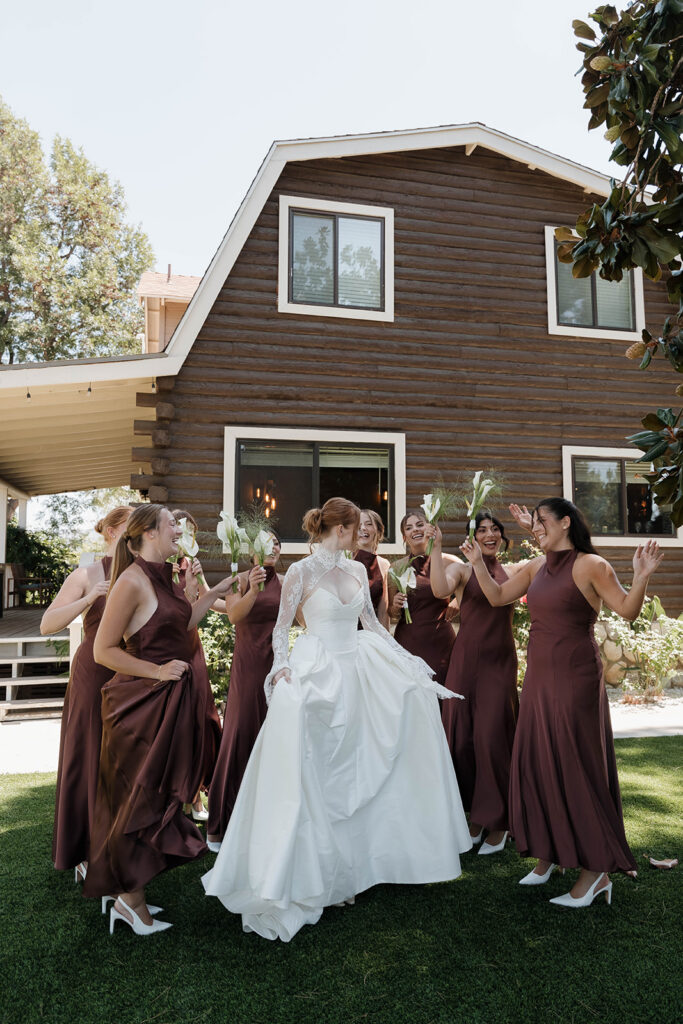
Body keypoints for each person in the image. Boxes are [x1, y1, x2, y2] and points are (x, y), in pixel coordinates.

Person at [202, 497, 472, 941]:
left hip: (357, 670)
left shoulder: (353, 571)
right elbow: (281, 627)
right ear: (341, 529)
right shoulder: (300, 573)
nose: (361, 533)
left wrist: (411, 665)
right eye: (356, 527)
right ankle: (319, 873)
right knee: (321, 772)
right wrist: (281, 667)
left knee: (357, 767)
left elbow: (374, 625)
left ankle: (354, 869)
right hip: (318, 671)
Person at [461, 497, 663, 907]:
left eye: (541, 522)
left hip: (574, 678)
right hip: (537, 678)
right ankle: (549, 853)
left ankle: (596, 872)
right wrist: (478, 563)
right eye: (532, 523)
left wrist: (641, 577)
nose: (534, 528)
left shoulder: (592, 565)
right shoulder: (535, 566)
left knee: (574, 764)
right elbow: (498, 596)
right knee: (537, 760)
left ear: (565, 522)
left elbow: (626, 610)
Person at [82, 504, 235, 935]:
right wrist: (159, 671)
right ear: (149, 532)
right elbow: (103, 651)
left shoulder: (165, 573)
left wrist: (213, 588)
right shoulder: (130, 580)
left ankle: (126, 893)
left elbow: (182, 623)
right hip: (140, 706)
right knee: (139, 800)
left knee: (152, 799)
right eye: (172, 524)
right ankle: (130, 903)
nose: (179, 530)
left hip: (167, 703)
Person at [42, 506, 132, 879]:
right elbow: (48, 624)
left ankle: (114, 846)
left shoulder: (139, 573)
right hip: (92, 674)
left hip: (129, 674)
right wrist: (89, 596)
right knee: (88, 754)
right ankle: (81, 849)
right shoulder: (86, 573)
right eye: (130, 528)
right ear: (111, 532)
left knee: (118, 762)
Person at [428, 511, 526, 855]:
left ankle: (500, 820)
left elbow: (499, 595)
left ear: (502, 537)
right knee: (462, 739)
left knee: (492, 738)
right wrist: (437, 546)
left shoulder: (514, 572)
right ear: (473, 536)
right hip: (465, 660)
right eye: (482, 529)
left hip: (499, 662)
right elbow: (440, 589)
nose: (489, 534)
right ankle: (475, 815)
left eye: (495, 529)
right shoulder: (462, 569)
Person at [206, 531, 283, 849]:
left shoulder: (287, 580)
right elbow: (235, 615)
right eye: (268, 543)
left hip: (278, 663)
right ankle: (219, 824)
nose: (274, 547)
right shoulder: (240, 580)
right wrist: (253, 586)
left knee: (274, 735)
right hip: (249, 665)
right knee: (240, 734)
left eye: (277, 543)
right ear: (253, 551)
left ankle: (264, 818)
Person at [170, 508, 222, 824]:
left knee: (203, 719)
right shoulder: (157, 567)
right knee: (176, 723)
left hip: (192, 646)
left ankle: (199, 795)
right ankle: (180, 799)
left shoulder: (191, 565)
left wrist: (199, 581)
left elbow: (206, 603)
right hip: (166, 649)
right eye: (180, 527)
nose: (185, 534)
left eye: (190, 529)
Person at [389, 510, 460, 685]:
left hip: (441, 641)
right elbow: (392, 613)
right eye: (409, 527)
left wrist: (457, 600)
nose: (415, 530)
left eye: (420, 525)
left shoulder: (450, 562)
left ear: (430, 528)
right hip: (408, 641)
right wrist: (395, 605)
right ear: (404, 537)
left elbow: (474, 587)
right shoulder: (396, 568)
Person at [354, 509, 390, 627]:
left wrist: (385, 642)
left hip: (370, 632)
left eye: (368, 524)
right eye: (358, 525)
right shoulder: (344, 560)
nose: (363, 528)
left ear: (378, 531)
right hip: (345, 632)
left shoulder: (384, 565)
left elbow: (383, 612)